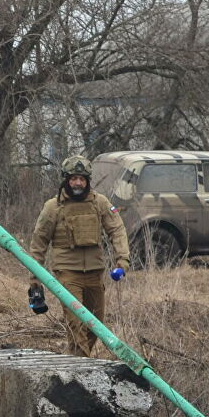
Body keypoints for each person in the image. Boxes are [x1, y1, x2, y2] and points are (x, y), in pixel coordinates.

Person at [27, 153, 130, 358]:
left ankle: (76, 362)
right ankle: (82, 366)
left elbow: (117, 230)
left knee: (95, 324)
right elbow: (39, 242)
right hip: (67, 274)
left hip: (94, 272)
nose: (77, 183)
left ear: (87, 181)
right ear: (66, 180)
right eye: (73, 178)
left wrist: (122, 261)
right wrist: (34, 279)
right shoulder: (53, 207)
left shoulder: (100, 203)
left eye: (82, 179)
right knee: (76, 322)